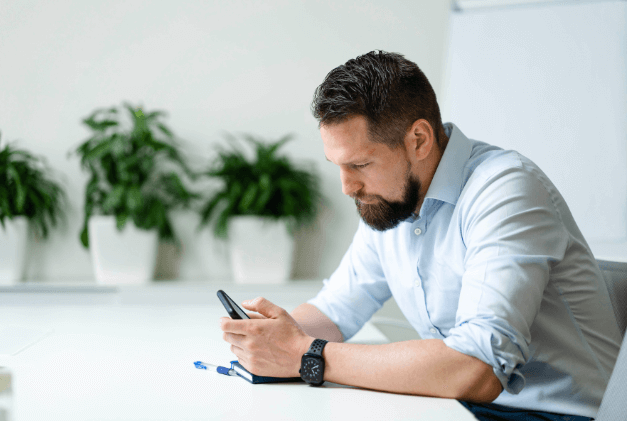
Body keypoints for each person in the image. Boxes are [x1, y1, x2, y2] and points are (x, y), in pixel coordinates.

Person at [219, 50, 622, 420]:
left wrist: (307, 356)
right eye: (337, 165)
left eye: (359, 164)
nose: (346, 187)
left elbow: (475, 369)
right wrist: (265, 338)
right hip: (463, 407)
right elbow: (334, 312)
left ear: (419, 140)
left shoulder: (506, 190)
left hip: (555, 415)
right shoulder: (389, 200)